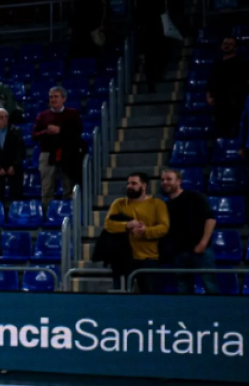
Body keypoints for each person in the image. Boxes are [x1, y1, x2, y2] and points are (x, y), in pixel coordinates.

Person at [101, 172, 168, 292]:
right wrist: (127, 225)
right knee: (120, 296)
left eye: (134, 183)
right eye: (128, 183)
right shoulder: (119, 203)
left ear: (144, 186)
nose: (129, 186)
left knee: (149, 295)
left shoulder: (157, 204)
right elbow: (108, 224)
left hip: (149, 257)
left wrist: (146, 230)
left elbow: (164, 227)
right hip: (122, 258)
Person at [158, 167, 217, 295]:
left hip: (201, 251)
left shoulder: (195, 197)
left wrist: (203, 243)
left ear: (178, 181)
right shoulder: (165, 205)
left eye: (169, 179)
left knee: (210, 286)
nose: (165, 182)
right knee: (184, 289)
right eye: (162, 180)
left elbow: (210, 220)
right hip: (179, 253)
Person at [33, 86, 83, 208]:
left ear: (63, 99)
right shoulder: (42, 115)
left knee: (68, 187)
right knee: (47, 188)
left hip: (68, 154)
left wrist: (60, 130)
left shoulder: (72, 113)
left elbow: (77, 132)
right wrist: (47, 132)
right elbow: (34, 135)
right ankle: (47, 216)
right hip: (47, 154)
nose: (53, 99)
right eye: (51, 97)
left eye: (56, 97)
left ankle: (70, 214)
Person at [208, 37, 247, 140]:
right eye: (225, 43)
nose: (227, 46)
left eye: (230, 44)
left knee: (238, 130)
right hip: (220, 103)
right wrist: (209, 96)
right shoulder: (217, 63)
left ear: (235, 47)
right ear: (221, 46)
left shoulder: (241, 62)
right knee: (221, 131)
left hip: (237, 102)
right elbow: (210, 82)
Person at [68, 0, 108, 66]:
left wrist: (103, 24)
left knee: (96, 54)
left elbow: (106, 8)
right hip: (80, 29)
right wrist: (71, 26)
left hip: (95, 29)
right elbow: (70, 11)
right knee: (78, 53)